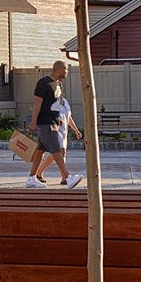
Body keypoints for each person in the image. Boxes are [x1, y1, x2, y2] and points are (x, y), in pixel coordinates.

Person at [26, 61, 83, 189]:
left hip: (53, 122)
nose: (67, 72)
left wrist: (59, 120)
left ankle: (31, 178)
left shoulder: (58, 85)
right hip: (46, 124)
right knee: (57, 151)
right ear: (58, 70)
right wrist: (34, 121)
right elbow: (37, 103)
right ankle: (68, 178)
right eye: (65, 70)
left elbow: (54, 106)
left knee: (40, 151)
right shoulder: (44, 83)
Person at [37, 91, 81, 181]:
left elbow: (68, 118)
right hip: (55, 130)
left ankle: (61, 177)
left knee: (61, 153)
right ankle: (63, 177)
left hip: (64, 131)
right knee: (59, 152)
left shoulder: (65, 101)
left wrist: (76, 130)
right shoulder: (51, 102)